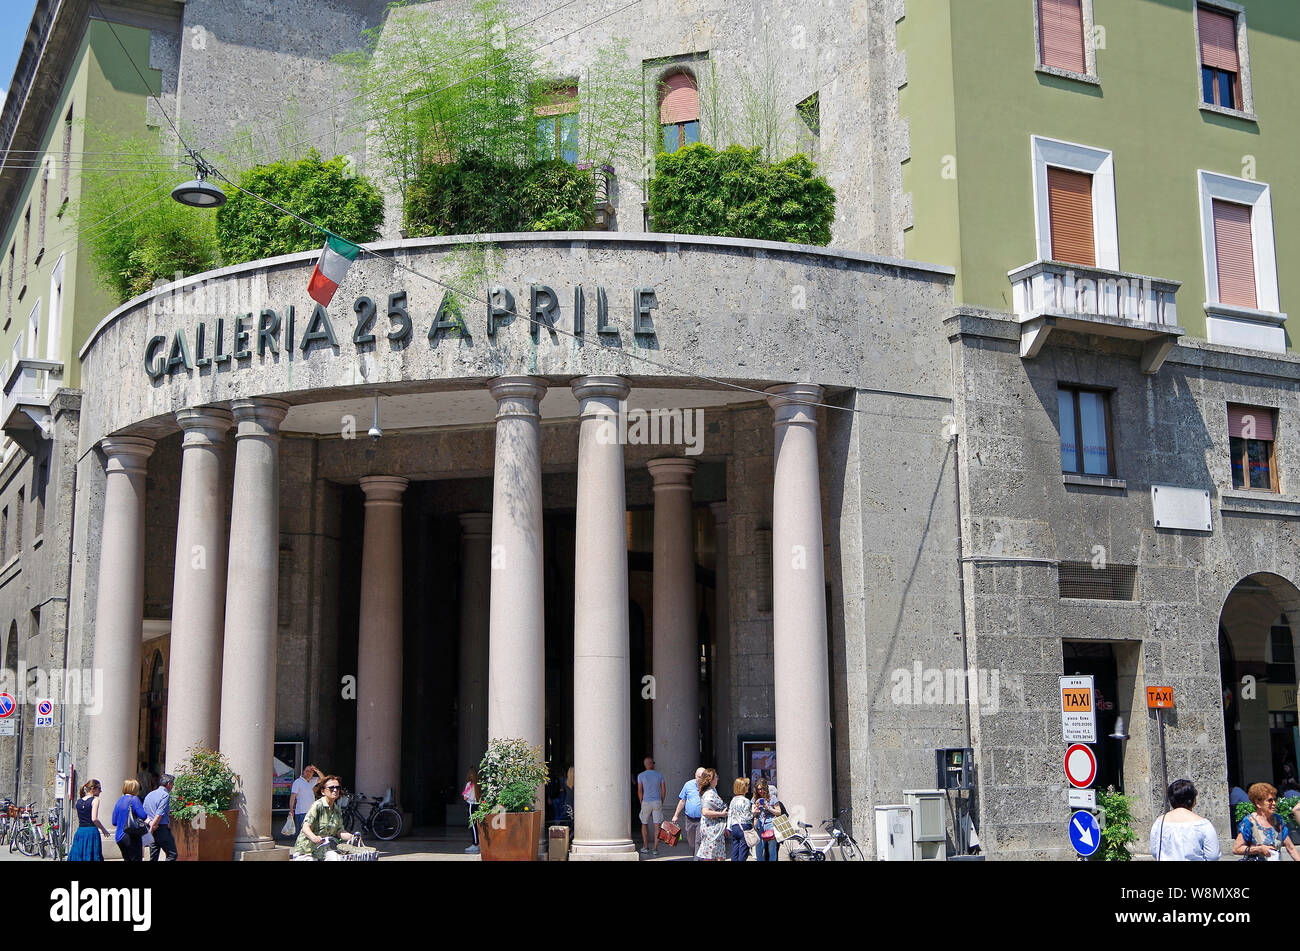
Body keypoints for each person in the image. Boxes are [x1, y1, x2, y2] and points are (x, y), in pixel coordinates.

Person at [1149, 779, 1220, 861]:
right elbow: (1213, 856)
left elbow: (1155, 851)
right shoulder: (1203, 824)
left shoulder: (1159, 822)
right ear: (1193, 801)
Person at [292, 774, 358, 860]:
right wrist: (313, 837)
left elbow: (339, 831)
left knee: (337, 858)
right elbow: (305, 827)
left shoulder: (337, 809)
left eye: (337, 788)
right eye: (331, 788)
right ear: (323, 791)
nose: (335, 790)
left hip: (323, 850)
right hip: (306, 851)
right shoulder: (318, 805)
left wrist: (351, 837)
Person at [1234, 782, 1300, 862]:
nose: (1274, 803)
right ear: (1258, 803)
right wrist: (1259, 849)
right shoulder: (1249, 822)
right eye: (1270, 801)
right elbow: (1236, 849)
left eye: (1275, 799)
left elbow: (1291, 848)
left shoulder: (1278, 820)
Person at [67, 780, 110, 861]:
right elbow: (94, 819)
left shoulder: (78, 801)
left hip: (80, 832)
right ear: (93, 788)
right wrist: (103, 829)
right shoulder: (95, 800)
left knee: (79, 856)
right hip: (91, 832)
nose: (101, 791)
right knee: (92, 857)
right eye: (99, 788)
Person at [636, 755, 666, 856]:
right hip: (657, 801)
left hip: (646, 802)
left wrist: (641, 801)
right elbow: (663, 790)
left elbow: (640, 791)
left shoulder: (641, 776)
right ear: (651, 764)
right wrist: (661, 801)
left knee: (644, 823)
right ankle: (655, 848)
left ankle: (645, 846)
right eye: (653, 762)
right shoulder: (659, 775)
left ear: (645, 765)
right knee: (657, 825)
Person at [111, 779, 149, 861]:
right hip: (131, 835)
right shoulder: (134, 799)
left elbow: (114, 822)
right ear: (134, 788)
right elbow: (143, 815)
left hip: (119, 837)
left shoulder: (119, 800)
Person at [695, 769, 728, 861]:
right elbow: (705, 812)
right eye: (716, 777)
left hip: (715, 830)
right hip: (711, 831)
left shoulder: (711, 791)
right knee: (710, 856)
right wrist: (721, 814)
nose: (718, 779)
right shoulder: (709, 794)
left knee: (715, 856)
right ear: (711, 779)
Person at [669, 766, 705, 853]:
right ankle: (696, 856)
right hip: (689, 819)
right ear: (695, 775)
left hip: (702, 819)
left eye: (702, 777)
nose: (700, 779)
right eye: (698, 777)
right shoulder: (688, 785)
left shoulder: (709, 787)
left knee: (698, 842)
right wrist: (675, 815)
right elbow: (682, 801)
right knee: (691, 842)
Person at [143, 773, 177, 861]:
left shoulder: (150, 794)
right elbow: (159, 814)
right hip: (160, 828)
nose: (172, 786)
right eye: (172, 784)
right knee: (172, 854)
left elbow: (143, 813)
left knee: (153, 856)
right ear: (169, 784)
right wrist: (152, 828)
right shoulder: (165, 795)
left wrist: (150, 826)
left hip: (150, 827)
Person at [751, 779, 785, 862]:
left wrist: (768, 807)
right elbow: (752, 814)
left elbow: (779, 812)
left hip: (770, 825)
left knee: (772, 850)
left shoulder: (772, 798)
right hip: (759, 825)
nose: (760, 791)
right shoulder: (755, 798)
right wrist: (755, 809)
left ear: (766, 788)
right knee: (759, 850)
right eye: (758, 789)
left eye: (762, 788)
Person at [727, 776, 754, 862]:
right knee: (743, 851)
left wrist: (728, 827)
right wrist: (754, 812)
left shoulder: (733, 800)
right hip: (744, 827)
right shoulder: (746, 801)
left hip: (735, 826)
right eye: (747, 785)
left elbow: (730, 815)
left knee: (735, 849)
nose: (748, 787)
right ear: (743, 787)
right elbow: (748, 816)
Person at [288, 764, 319, 835]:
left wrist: (317, 770)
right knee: (302, 832)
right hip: (301, 812)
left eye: (310, 772)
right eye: (307, 771)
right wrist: (291, 809)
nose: (308, 773)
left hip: (311, 812)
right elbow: (293, 796)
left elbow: (323, 779)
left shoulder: (312, 781)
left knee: (310, 831)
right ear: (303, 772)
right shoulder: (297, 782)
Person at [463, 768, 481, 854]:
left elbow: (465, 797)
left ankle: (475, 844)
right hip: (477, 804)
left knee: (472, 825)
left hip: (471, 805)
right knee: (477, 825)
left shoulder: (469, 784)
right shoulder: (479, 784)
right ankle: (478, 843)